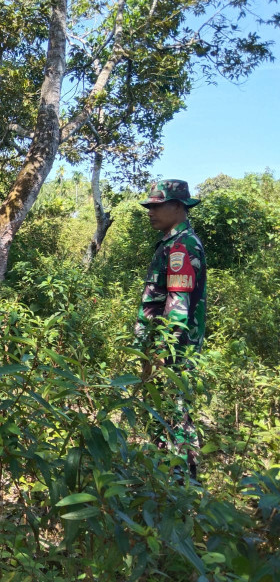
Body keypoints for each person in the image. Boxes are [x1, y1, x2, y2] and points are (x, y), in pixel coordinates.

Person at [135, 179, 206, 479]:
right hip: (166, 348)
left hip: (172, 352)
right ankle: (171, 476)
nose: (150, 211)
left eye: (156, 205)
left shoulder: (180, 247)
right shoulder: (171, 243)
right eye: (149, 206)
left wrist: (161, 354)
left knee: (174, 411)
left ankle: (178, 481)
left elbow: (177, 306)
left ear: (178, 207)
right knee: (170, 410)